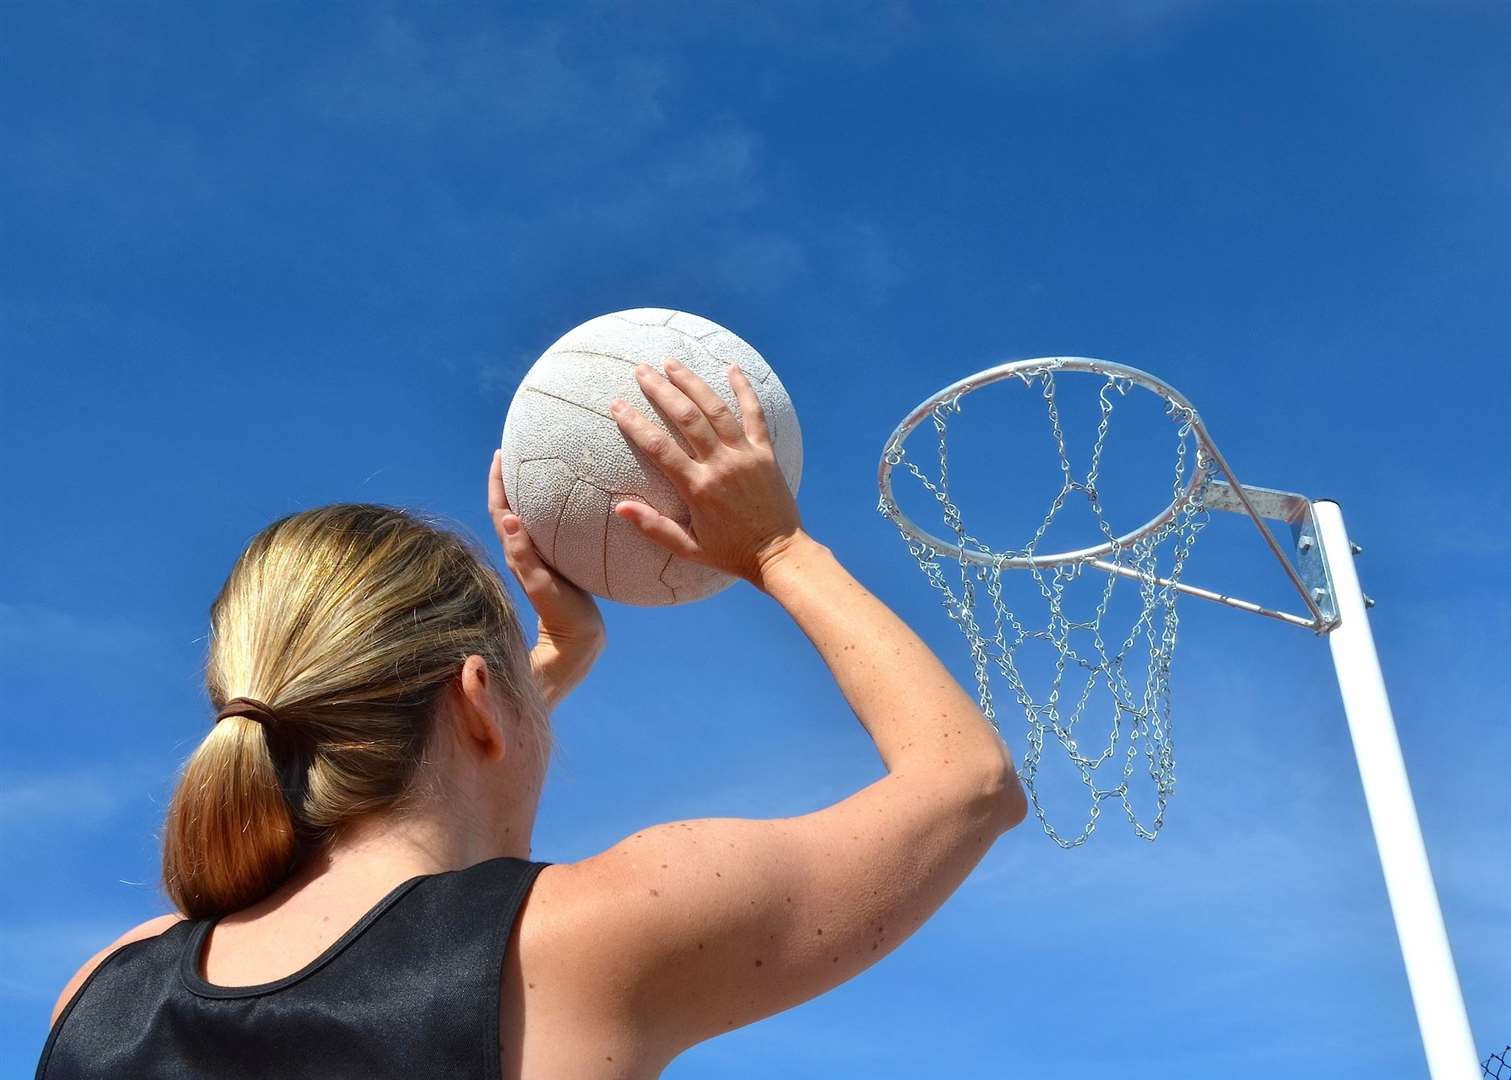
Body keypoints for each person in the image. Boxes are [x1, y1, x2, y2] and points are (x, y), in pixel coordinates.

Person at [35, 360, 1028, 1079]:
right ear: (473, 701)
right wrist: (775, 545)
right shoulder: (566, 943)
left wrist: (529, 676)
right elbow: (966, 786)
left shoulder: (105, 991)